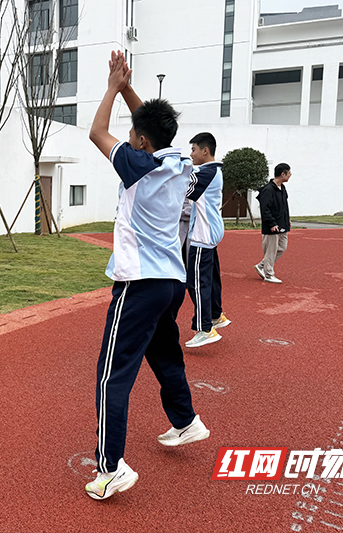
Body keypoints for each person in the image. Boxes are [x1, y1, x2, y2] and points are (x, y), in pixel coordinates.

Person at [85, 50, 210, 501]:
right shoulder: (179, 162)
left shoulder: (138, 167)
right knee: (164, 356)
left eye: (135, 135)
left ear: (139, 142)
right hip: (171, 285)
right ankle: (185, 421)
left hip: (138, 286)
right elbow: (151, 125)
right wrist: (128, 88)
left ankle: (110, 468)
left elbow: (97, 132)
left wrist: (113, 86)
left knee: (111, 376)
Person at [184, 132, 230, 348]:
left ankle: (204, 328)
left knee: (195, 281)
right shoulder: (213, 171)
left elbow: (185, 190)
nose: (191, 154)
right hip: (210, 231)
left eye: (193, 149)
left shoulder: (207, 172)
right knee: (210, 277)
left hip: (203, 235)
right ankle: (215, 315)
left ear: (205, 150)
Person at [255, 163, 291, 284]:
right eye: (289, 173)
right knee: (271, 250)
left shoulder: (282, 188)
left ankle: (262, 265)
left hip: (282, 224)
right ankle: (269, 274)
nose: (290, 175)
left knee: (282, 247)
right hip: (272, 227)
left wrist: (287, 220)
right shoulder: (268, 190)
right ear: (283, 174)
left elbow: (284, 206)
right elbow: (265, 209)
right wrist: (272, 224)